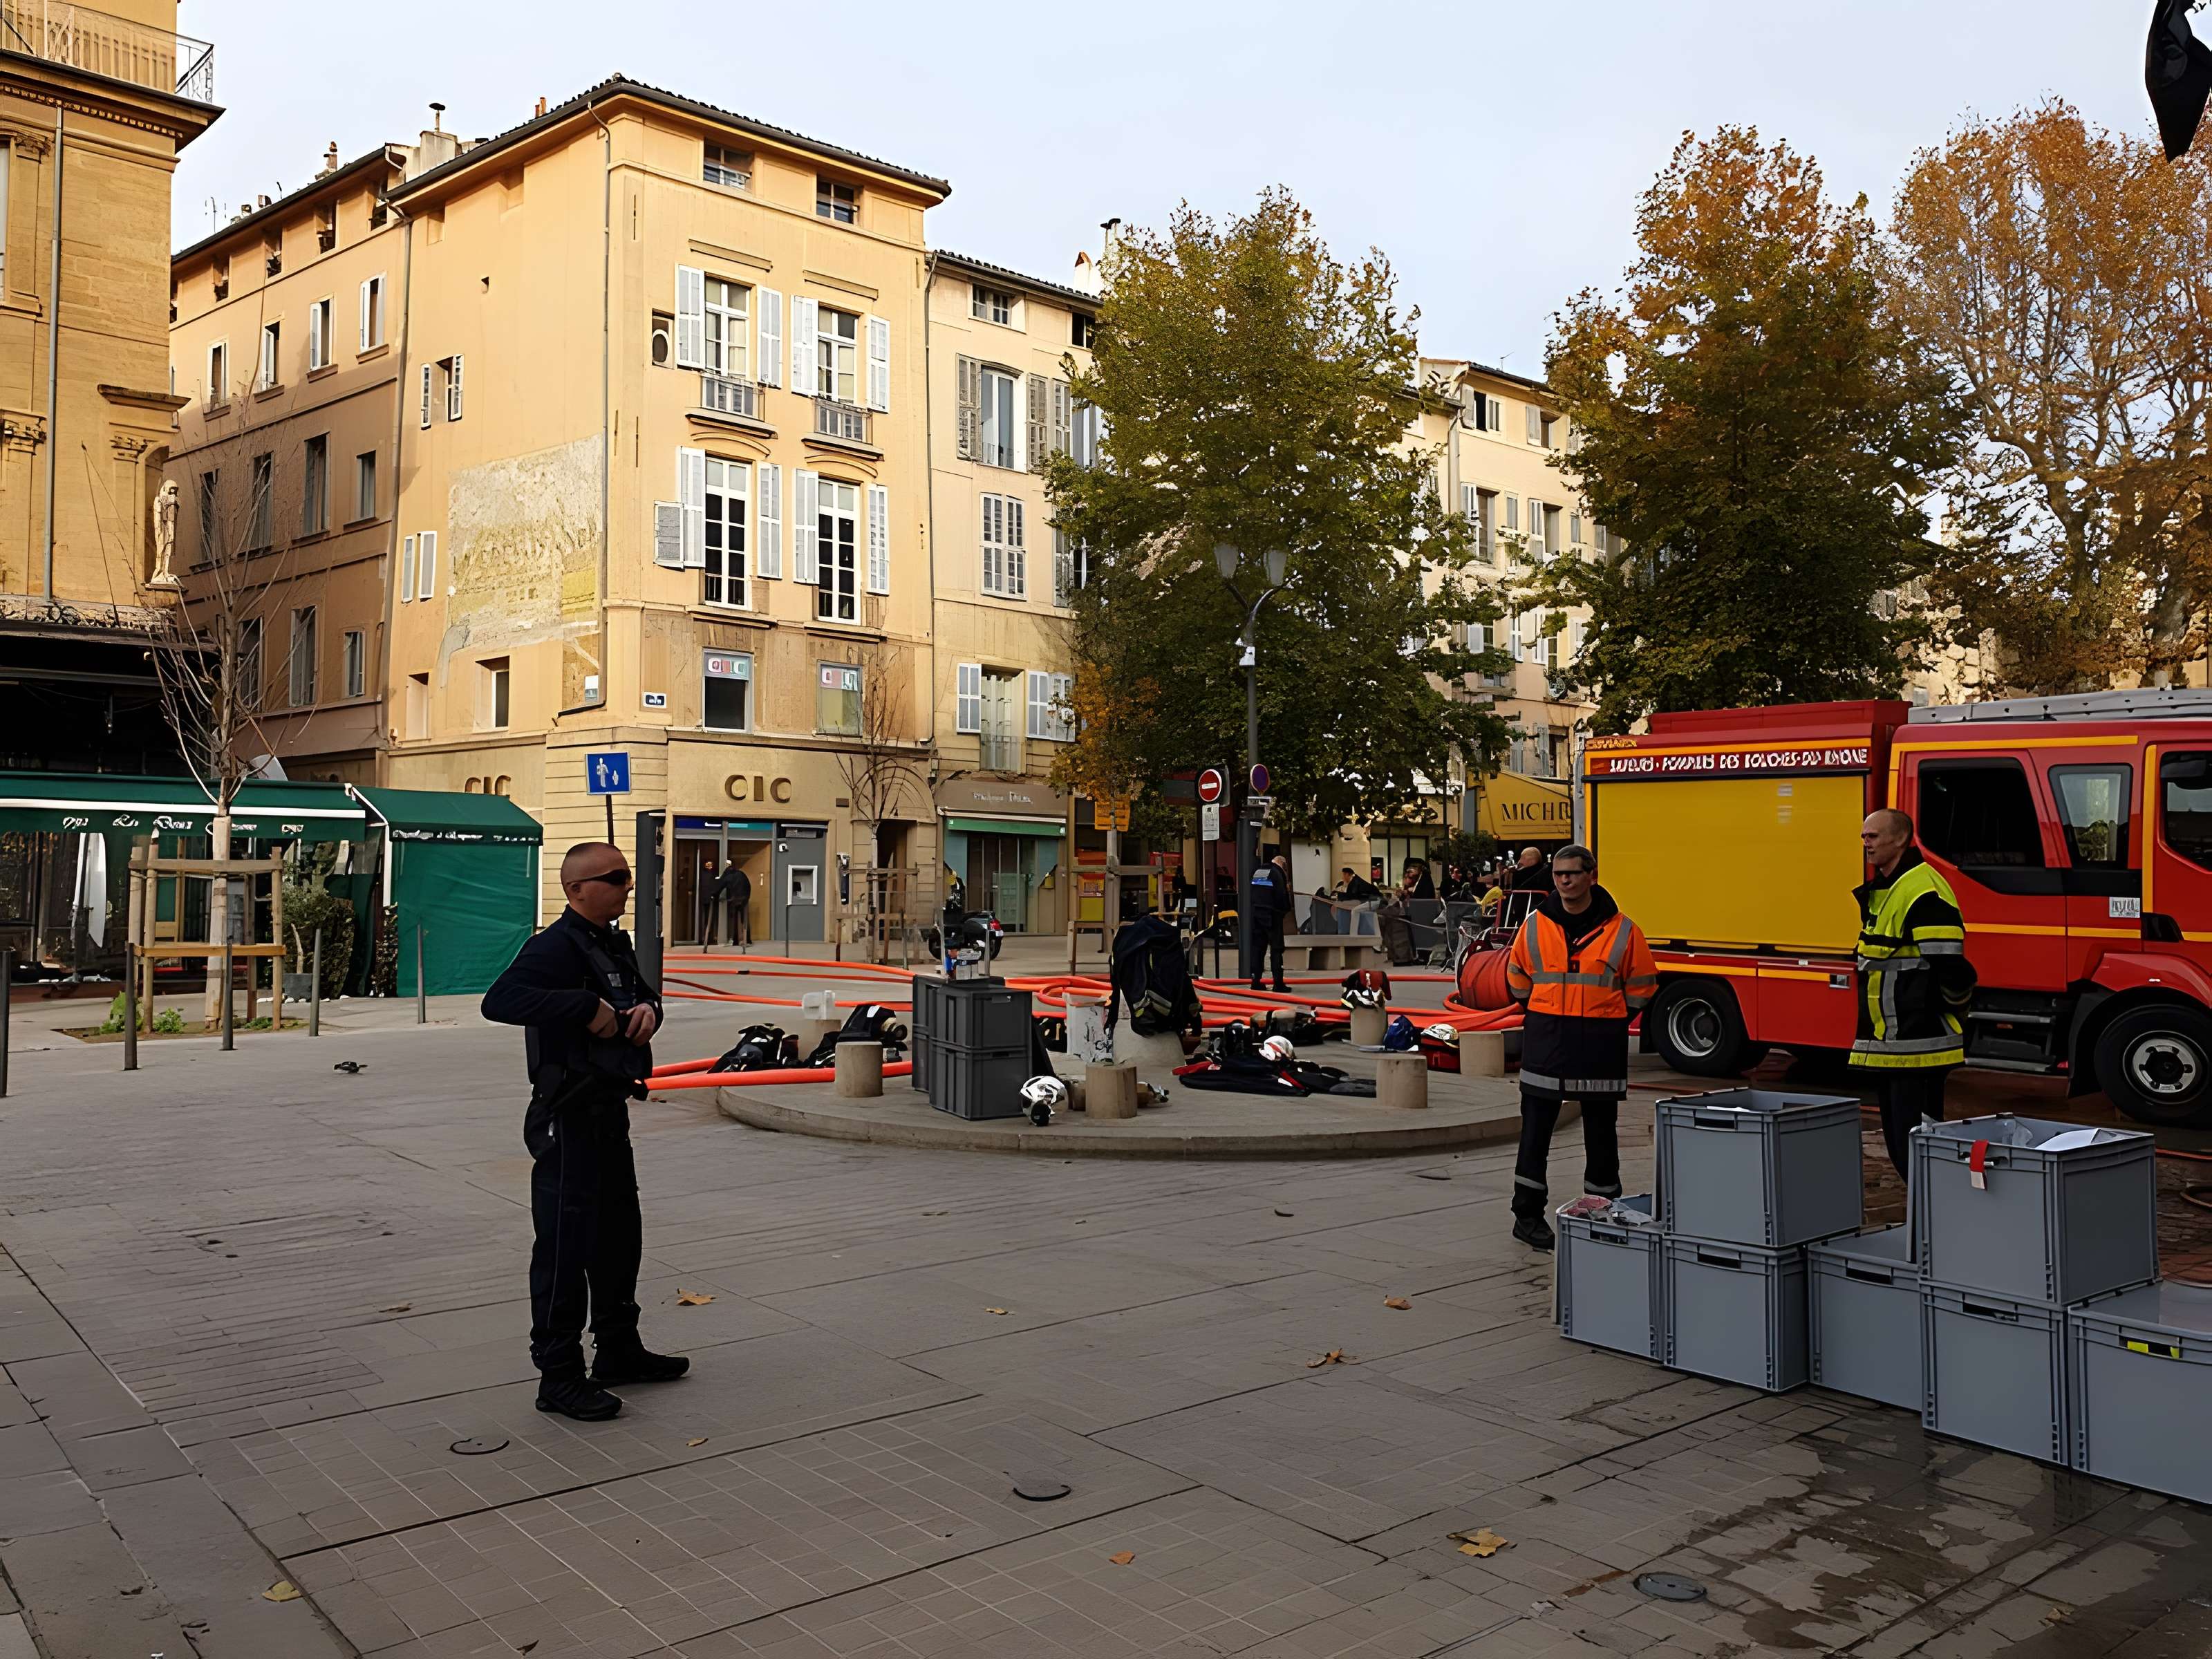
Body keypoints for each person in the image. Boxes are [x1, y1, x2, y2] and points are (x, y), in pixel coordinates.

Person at [482, 842, 685, 1422]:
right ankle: (560, 1374)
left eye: (627, 876)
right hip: (566, 1118)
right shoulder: (553, 946)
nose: (626, 886)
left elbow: (639, 995)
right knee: (565, 1247)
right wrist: (582, 1008)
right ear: (576, 890)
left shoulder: (611, 942)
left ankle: (619, 1349)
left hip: (607, 1109)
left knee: (620, 1236)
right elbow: (500, 1001)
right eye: (615, 878)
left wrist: (648, 1011)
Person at [1504, 843, 1658, 1251]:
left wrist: (1608, 1016)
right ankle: (1527, 1216)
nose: (1565, 880)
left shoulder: (1623, 929)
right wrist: (1544, 1011)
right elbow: (1517, 977)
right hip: (1547, 1042)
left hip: (1598, 1046)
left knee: (1602, 1136)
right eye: (1558, 874)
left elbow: (1643, 985)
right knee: (1535, 1134)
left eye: (1573, 873)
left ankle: (1604, 1211)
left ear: (1592, 876)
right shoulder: (1535, 925)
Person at [1852, 807, 1976, 1181]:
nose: (1865, 844)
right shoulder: (1889, 887)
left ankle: (1933, 1227)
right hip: (1893, 1046)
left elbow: (1953, 971)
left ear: (1901, 839)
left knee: (1919, 1153)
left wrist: (1935, 1015)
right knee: (1902, 1148)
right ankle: (1923, 1226)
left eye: (1873, 836)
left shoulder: (1923, 889)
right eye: (1864, 836)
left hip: (1918, 1048)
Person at [1248, 852, 1293, 992]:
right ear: (1282, 865)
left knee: (1258, 949)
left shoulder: (1259, 871)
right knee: (1276, 949)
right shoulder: (1277, 873)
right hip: (1272, 915)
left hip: (1256, 914)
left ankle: (1256, 981)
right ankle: (1278, 984)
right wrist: (1285, 911)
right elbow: (1281, 896)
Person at [707, 859, 751, 947]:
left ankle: (735, 939)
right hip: (744, 897)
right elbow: (748, 885)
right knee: (744, 918)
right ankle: (747, 939)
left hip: (735, 898)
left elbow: (719, 887)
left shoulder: (728, 877)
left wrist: (714, 896)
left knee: (733, 918)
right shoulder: (741, 874)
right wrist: (747, 897)